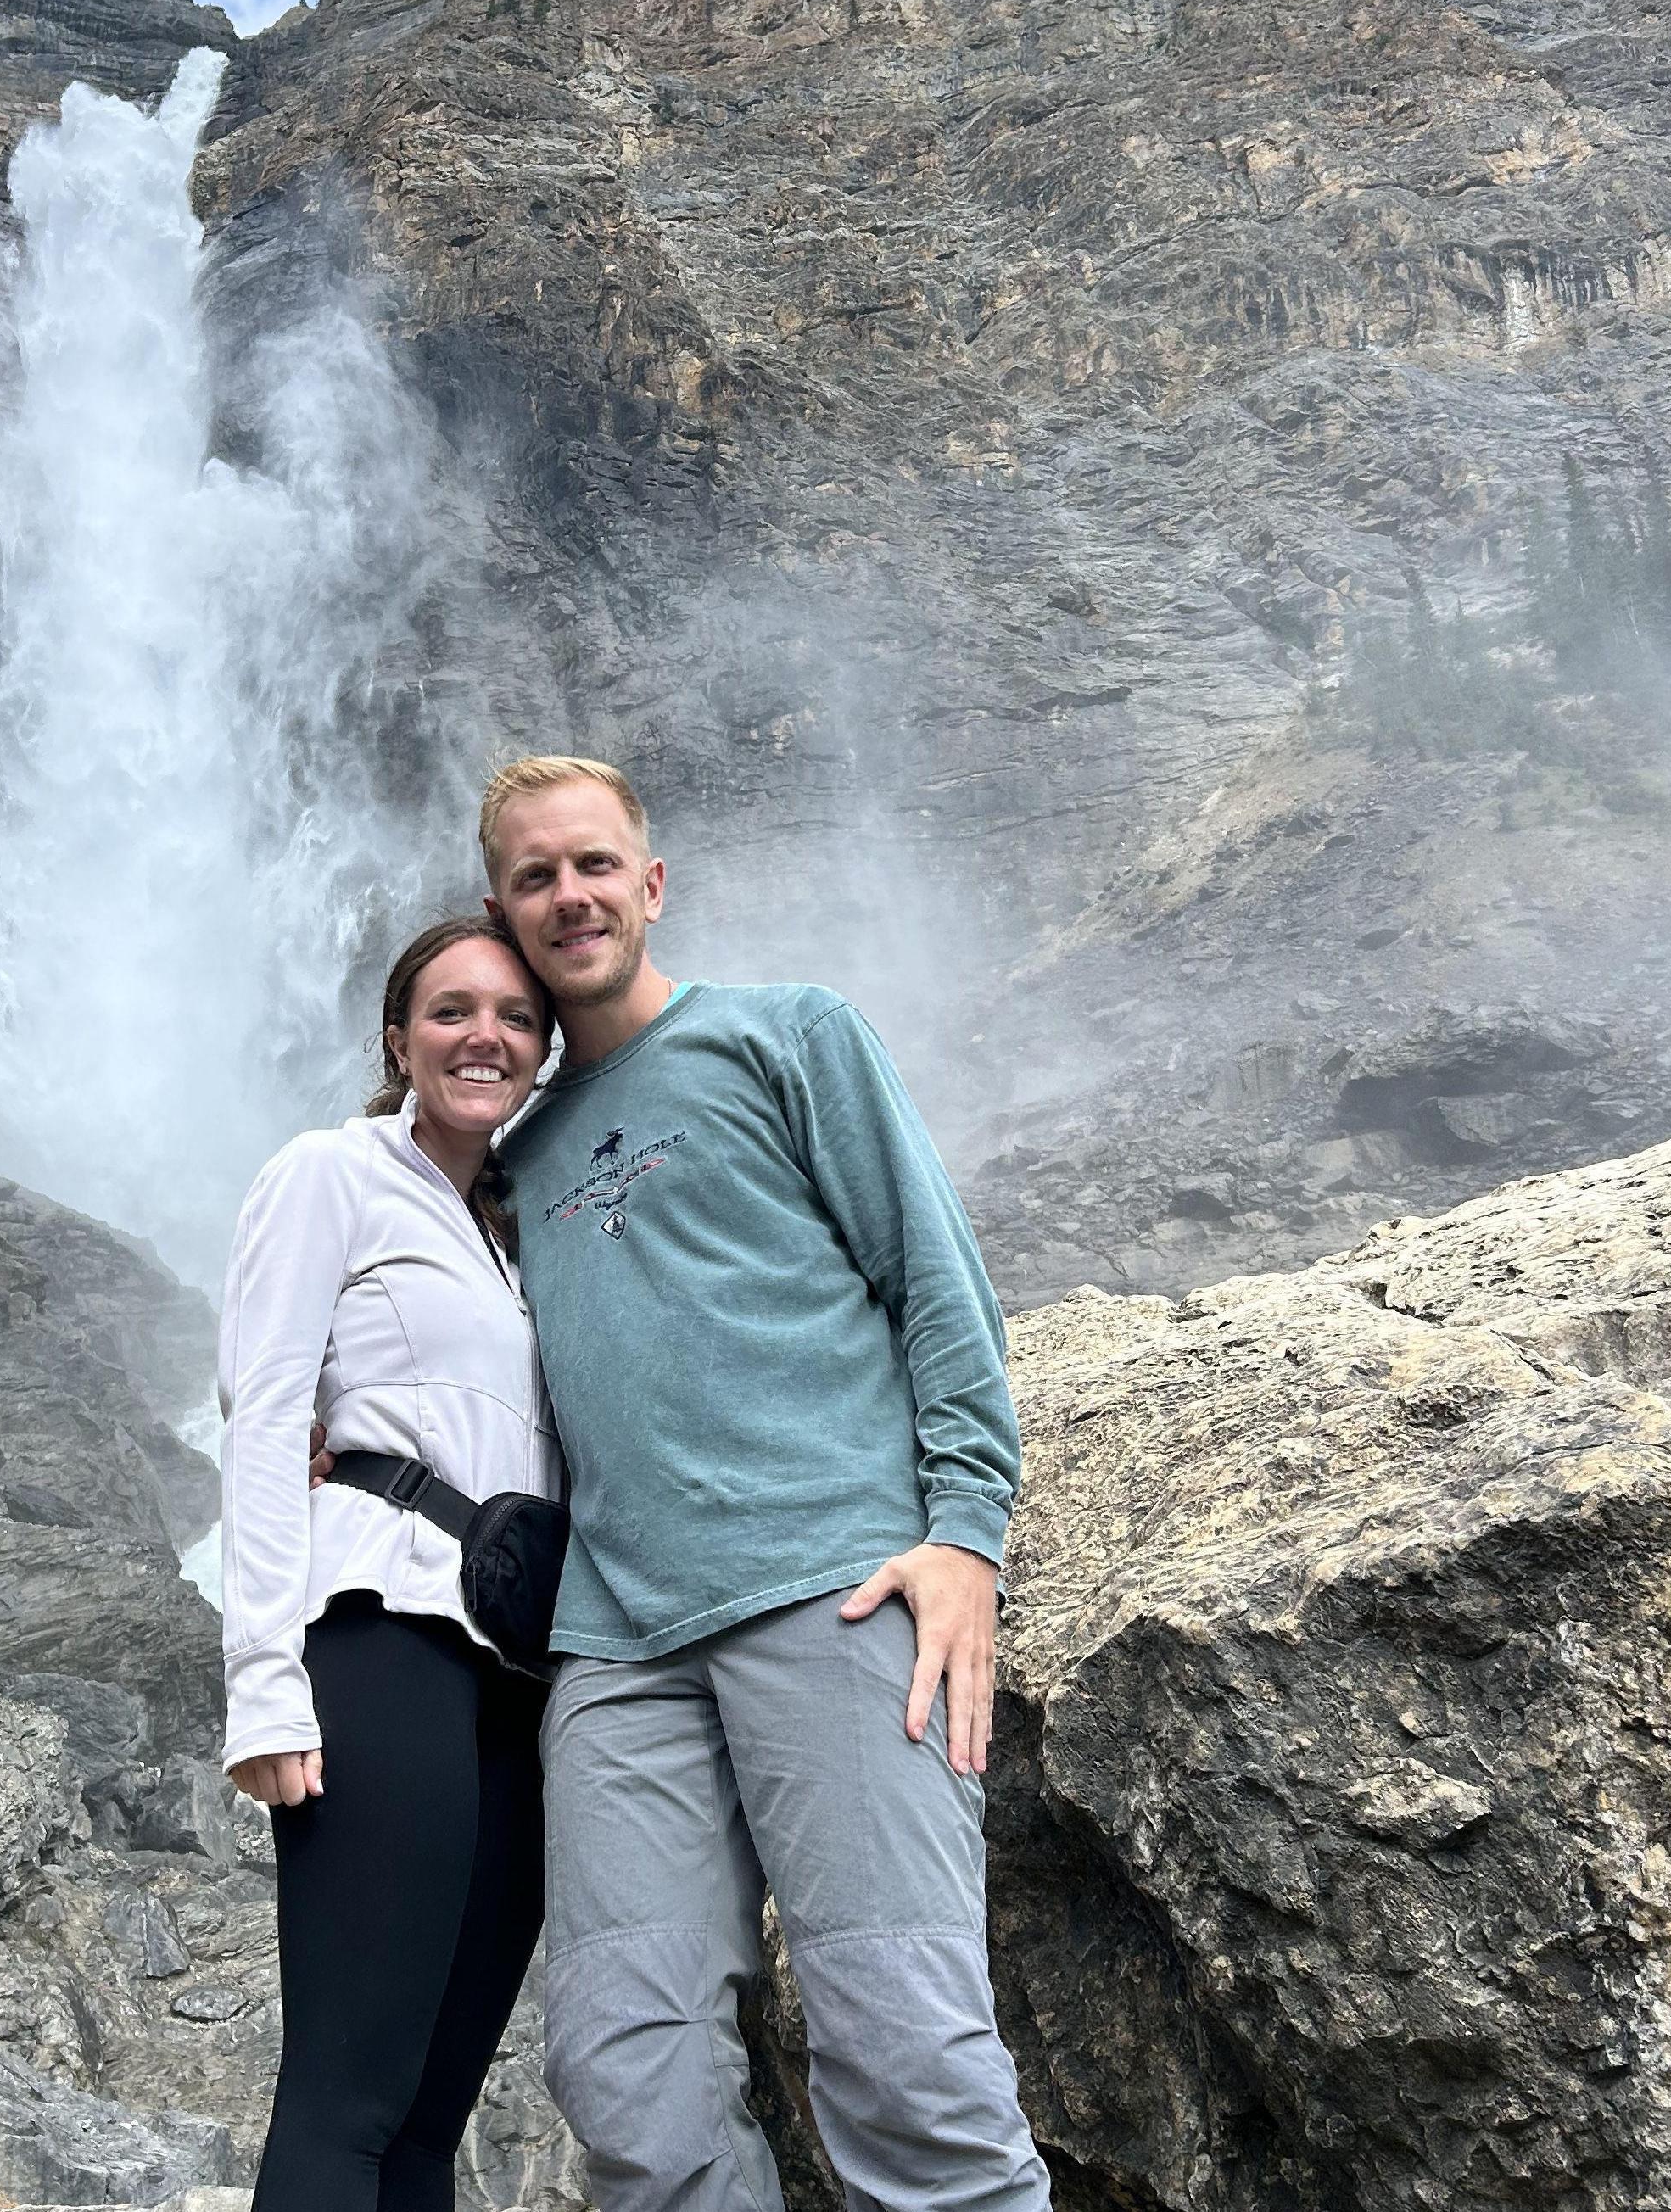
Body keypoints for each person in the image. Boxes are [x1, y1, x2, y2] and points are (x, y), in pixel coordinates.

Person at [478, 755, 1052, 2212]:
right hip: (617, 1642)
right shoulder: (521, 1150)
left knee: (906, 2048)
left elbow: (937, 1285)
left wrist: (964, 1536)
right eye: (535, 875)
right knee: (624, 2075)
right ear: (503, 908)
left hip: (836, 1584)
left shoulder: (788, 1035)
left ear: (650, 883)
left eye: (593, 863)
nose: (569, 894)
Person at [217, 913, 563, 2212]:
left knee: (429, 2117)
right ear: (396, 1037)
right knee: (347, 2099)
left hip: (518, 1666)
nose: (485, 1035)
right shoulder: (331, 1172)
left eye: (516, 1017)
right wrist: (261, 1681)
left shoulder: (525, 1233)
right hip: (384, 1629)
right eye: (451, 1010)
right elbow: (261, 1412)